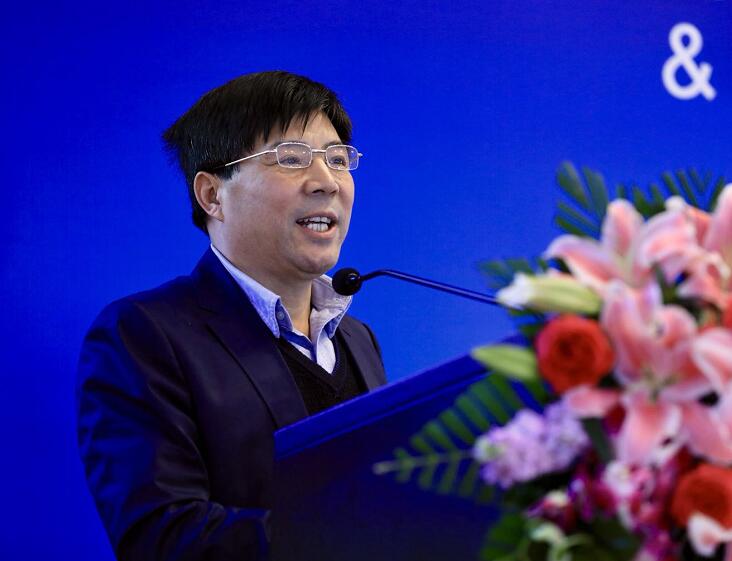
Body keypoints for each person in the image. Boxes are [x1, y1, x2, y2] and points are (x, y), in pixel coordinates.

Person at [76, 71, 387, 561]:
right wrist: (363, 532)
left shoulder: (357, 339)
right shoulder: (143, 335)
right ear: (212, 195)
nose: (327, 182)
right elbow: (160, 537)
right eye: (291, 158)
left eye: (337, 159)